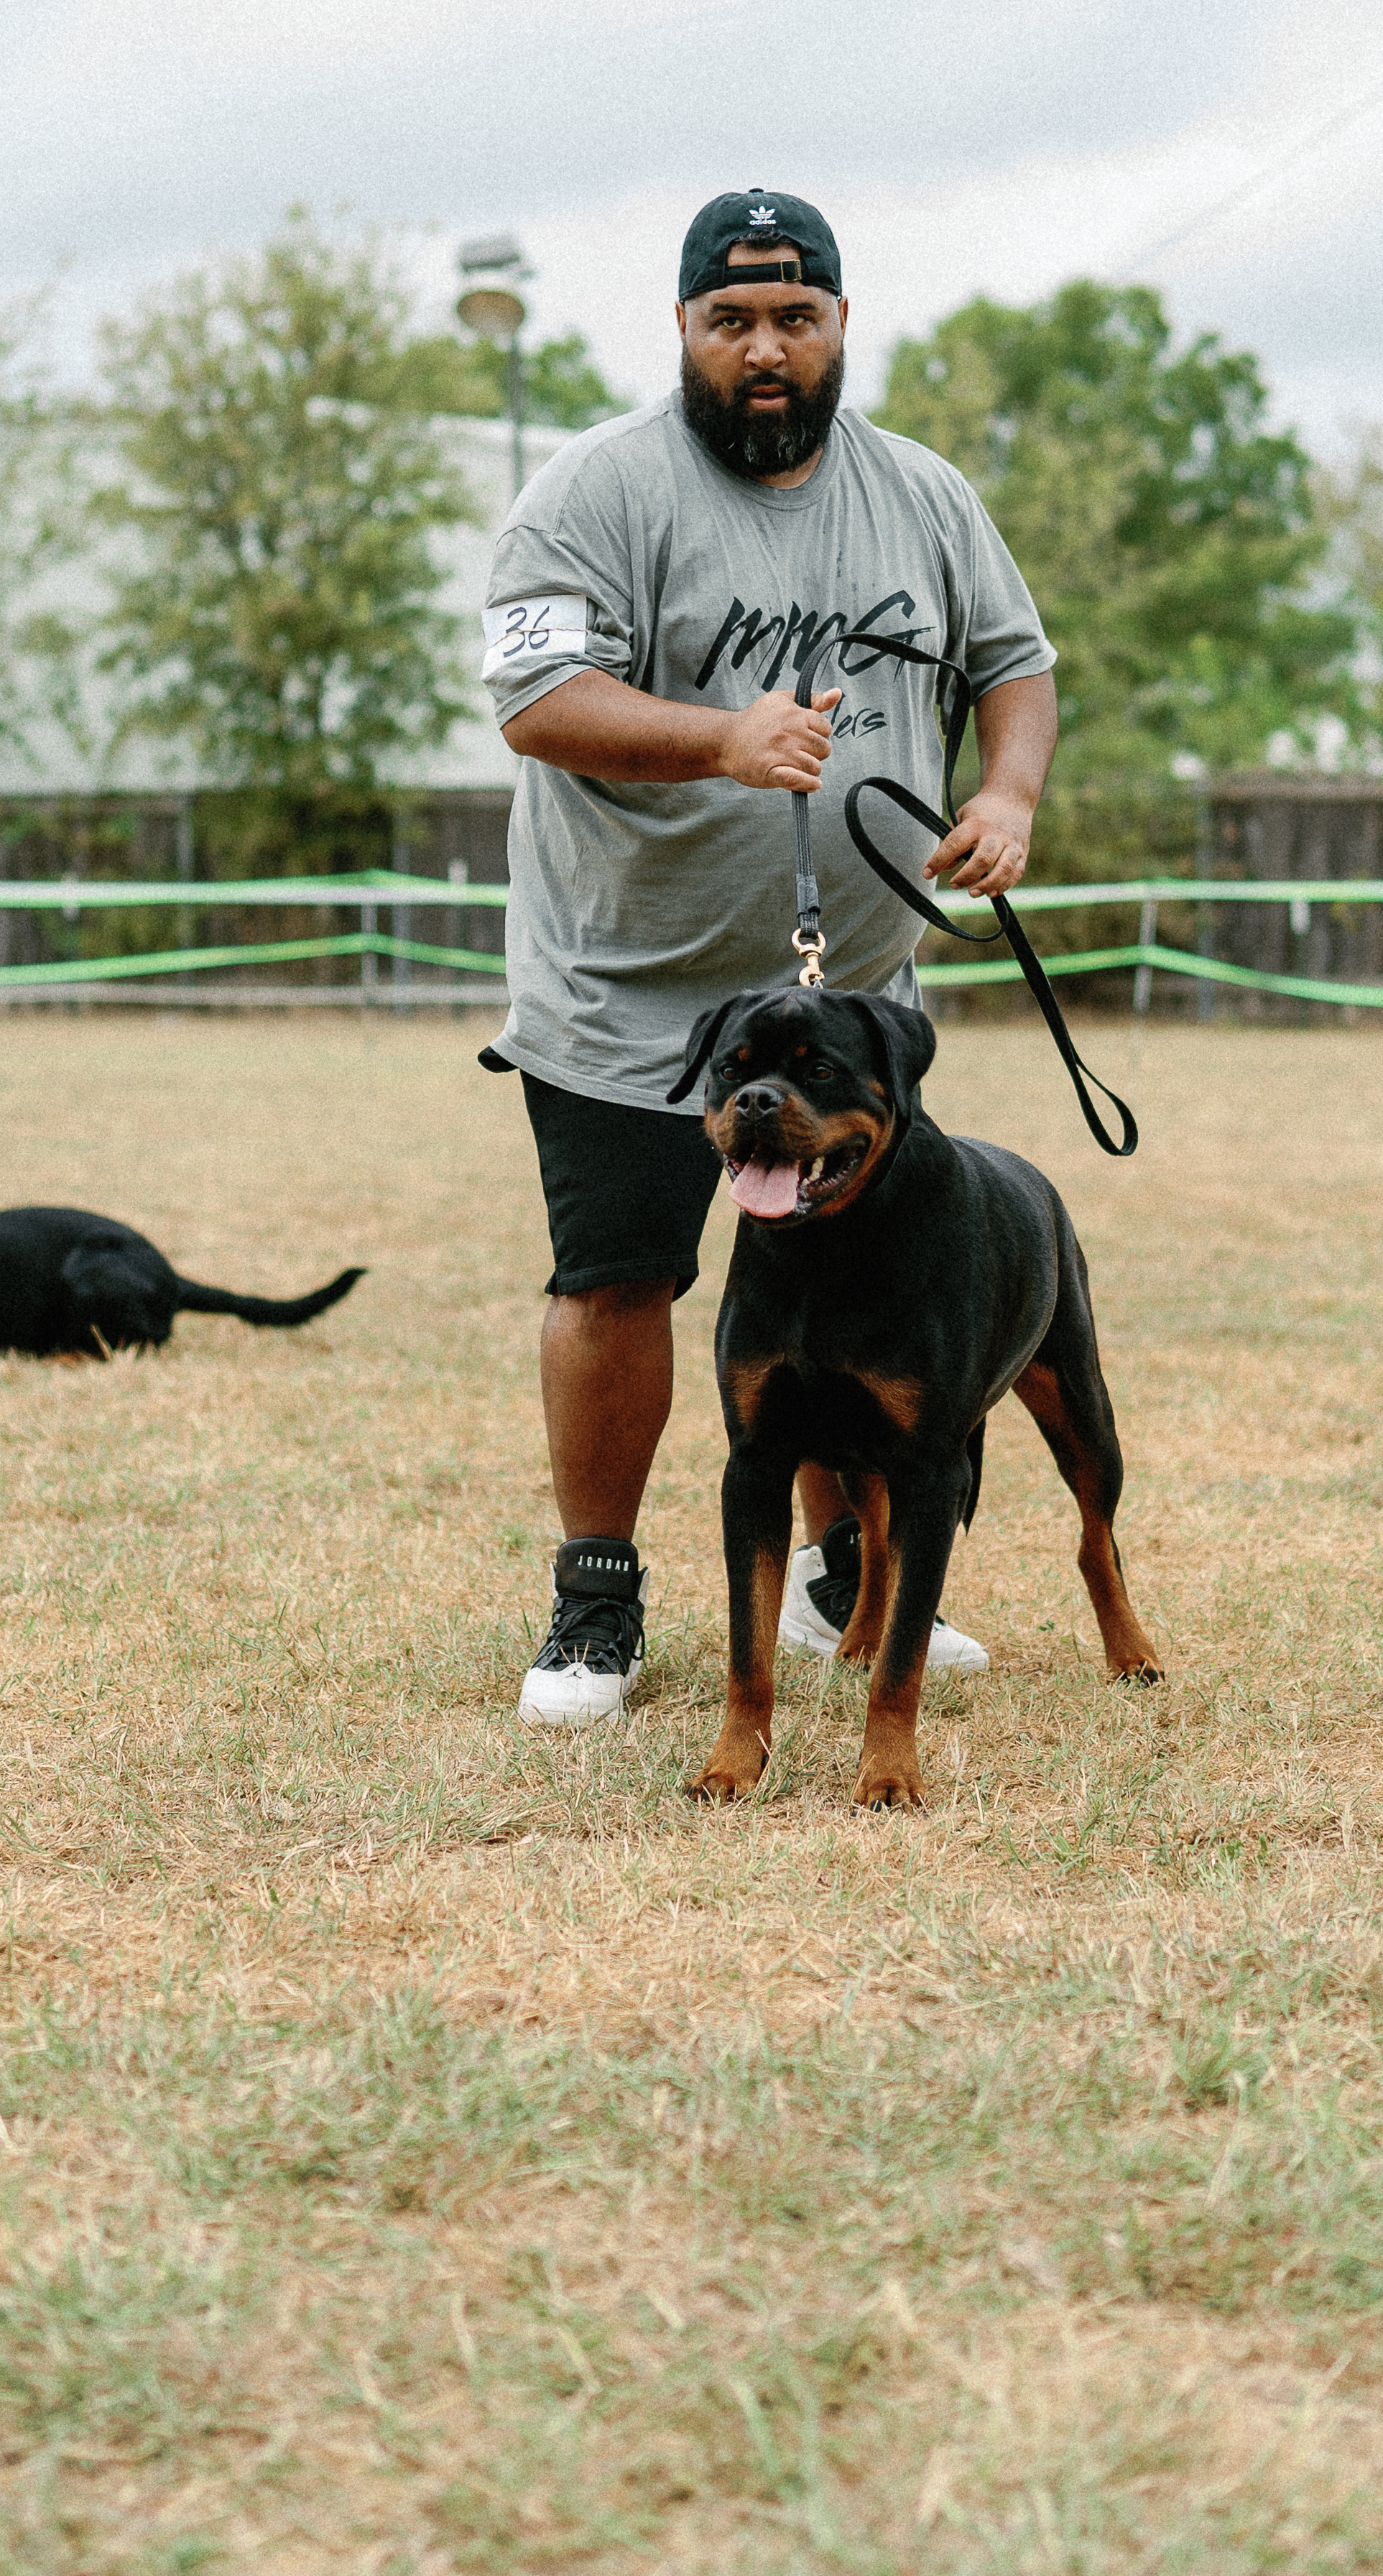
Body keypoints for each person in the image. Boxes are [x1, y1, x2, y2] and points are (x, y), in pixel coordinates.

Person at [477, 188, 1060, 1725]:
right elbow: (536, 699)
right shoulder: (591, 489)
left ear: (839, 326)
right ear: (680, 327)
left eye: (792, 317)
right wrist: (722, 739)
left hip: (845, 1005)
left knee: (854, 1301)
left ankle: (833, 1583)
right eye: (728, 318)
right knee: (619, 1278)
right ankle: (593, 1603)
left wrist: (1003, 793)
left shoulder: (923, 495)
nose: (762, 347)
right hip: (634, 985)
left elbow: (1014, 665)